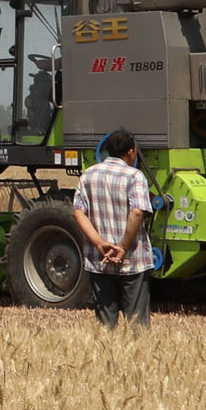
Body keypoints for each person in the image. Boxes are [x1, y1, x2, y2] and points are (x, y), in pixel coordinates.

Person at [72, 128, 156, 330]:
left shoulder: (88, 175)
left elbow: (78, 212)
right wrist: (123, 247)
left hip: (99, 260)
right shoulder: (134, 177)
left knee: (105, 328)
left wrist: (100, 243)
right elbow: (137, 212)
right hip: (132, 261)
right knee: (137, 328)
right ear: (130, 152)